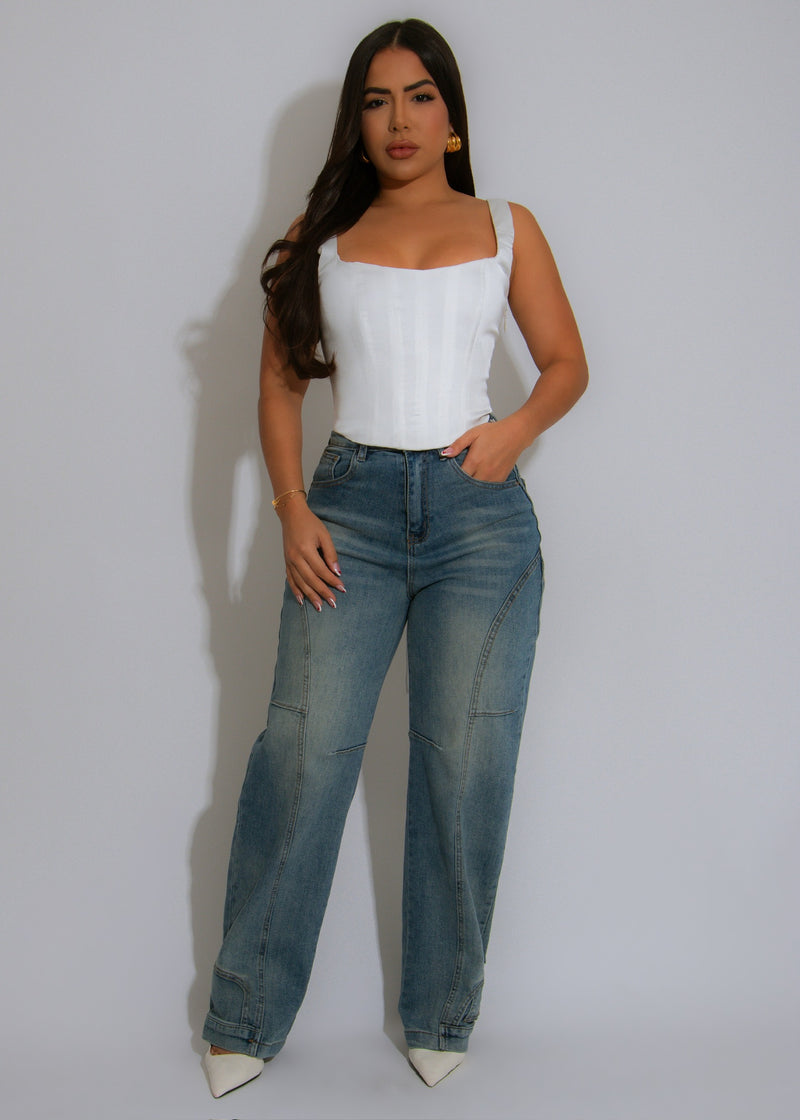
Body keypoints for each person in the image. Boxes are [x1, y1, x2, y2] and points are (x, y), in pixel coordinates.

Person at [201, 17, 588, 1098]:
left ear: (451, 118)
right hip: (350, 515)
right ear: (356, 121)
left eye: (419, 97)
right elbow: (280, 383)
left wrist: (513, 432)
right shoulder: (321, 234)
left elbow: (564, 362)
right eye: (376, 101)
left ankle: (440, 1008)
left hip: (480, 521)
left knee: (465, 763)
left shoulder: (506, 226)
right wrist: (291, 507)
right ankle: (245, 1013)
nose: (398, 119)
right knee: (301, 753)